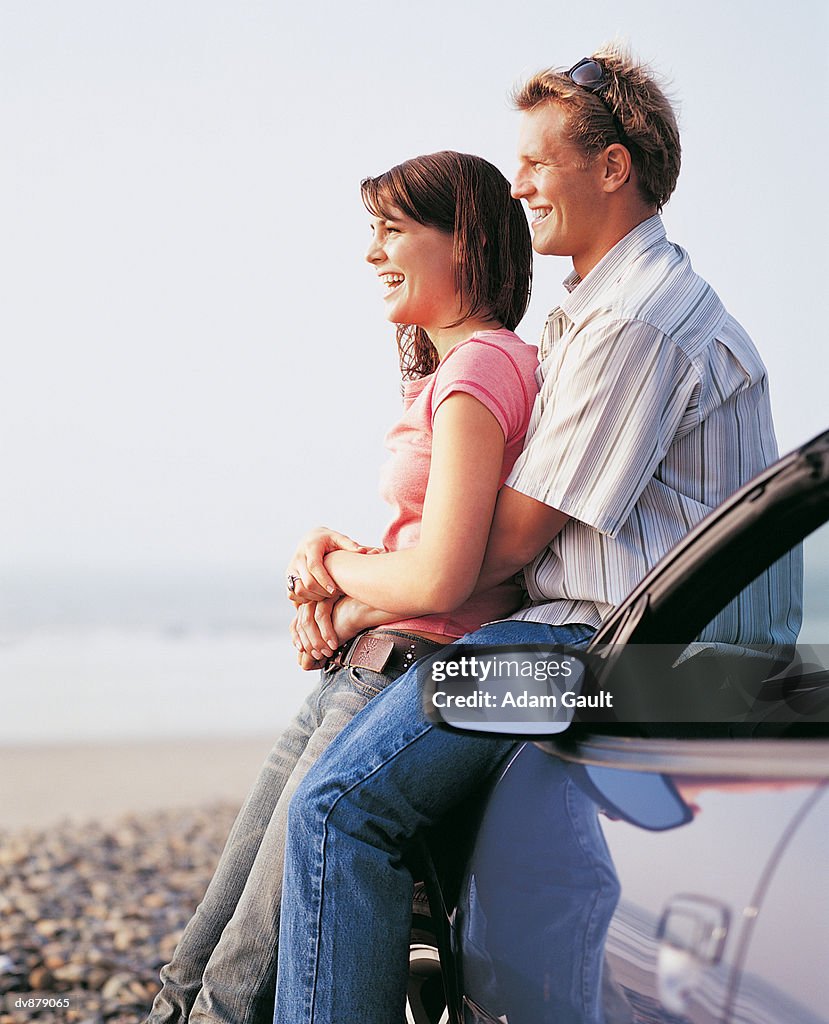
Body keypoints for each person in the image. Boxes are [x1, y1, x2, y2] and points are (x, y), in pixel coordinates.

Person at [275, 46, 801, 1023]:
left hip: (608, 654)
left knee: (337, 811)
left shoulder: (637, 321)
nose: (515, 185)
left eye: (537, 162)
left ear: (612, 169)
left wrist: (340, 586)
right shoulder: (594, 315)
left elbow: (505, 543)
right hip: (608, 637)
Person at [143, 150, 538, 1024]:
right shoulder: (454, 375)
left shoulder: (480, 372)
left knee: (243, 965)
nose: (372, 253)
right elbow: (437, 545)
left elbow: (443, 575)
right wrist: (334, 558)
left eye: (393, 229)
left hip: (399, 673)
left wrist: (331, 577)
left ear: (466, 242)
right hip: (362, 670)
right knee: (210, 939)